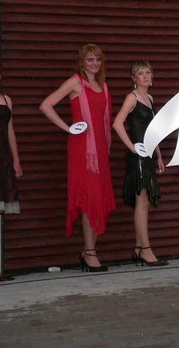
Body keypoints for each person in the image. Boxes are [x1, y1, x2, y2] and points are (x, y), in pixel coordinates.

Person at [39, 44, 116, 272]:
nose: (94, 63)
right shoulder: (75, 82)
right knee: (89, 198)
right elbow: (46, 105)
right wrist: (68, 128)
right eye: (90, 59)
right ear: (82, 62)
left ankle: (88, 251)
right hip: (83, 149)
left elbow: (105, 121)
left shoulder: (103, 86)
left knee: (98, 197)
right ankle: (90, 253)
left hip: (100, 148)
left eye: (98, 59)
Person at [111, 60, 167, 267]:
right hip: (138, 157)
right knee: (141, 202)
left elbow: (152, 131)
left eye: (148, 72)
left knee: (144, 203)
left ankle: (138, 247)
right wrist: (133, 148)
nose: (145, 76)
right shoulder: (132, 97)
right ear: (134, 78)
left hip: (149, 155)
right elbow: (117, 124)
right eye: (140, 73)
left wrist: (158, 155)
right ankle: (145, 249)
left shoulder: (149, 98)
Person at [0, 59, 22, 282]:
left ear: (0, 77)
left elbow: (10, 131)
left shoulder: (6, 100)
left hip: (1, 159)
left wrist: (16, 160)